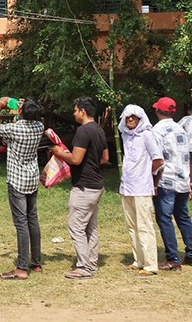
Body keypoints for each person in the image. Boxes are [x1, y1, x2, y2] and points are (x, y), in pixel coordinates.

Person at [51, 96, 109, 280]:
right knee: (91, 228)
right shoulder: (99, 129)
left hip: (84, 187)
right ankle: (92, 263)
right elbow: (105, 158)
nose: (74, 113)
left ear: (83, 111)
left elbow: (76, 159)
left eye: (75, 110)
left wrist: (60, 153)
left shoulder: (83, 132)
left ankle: (84, 266)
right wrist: (91, 164)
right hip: (97, 185)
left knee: (76, 227)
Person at [0, 97, 45, 280]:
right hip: (32, 177)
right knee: (32, 220)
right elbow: (23, 121)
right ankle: (36, 262)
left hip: (17, 179)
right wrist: (22, 108)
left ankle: (21, 267)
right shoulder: (39, 127)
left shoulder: (16, 128)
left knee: (21, 223)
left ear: (22, 113)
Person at [152, 97, 192, 271]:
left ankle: (173, 259)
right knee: (183, 216)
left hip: (166, 180)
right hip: (183, 180)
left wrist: (154, 182)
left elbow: (157, 159)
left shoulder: (156, 131)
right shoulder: (181, 128)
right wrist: (190, 180)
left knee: (165, 219)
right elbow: (187, 157)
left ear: (158, 111)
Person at [118, 105, 164, 277]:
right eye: (128, 117)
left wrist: (147, 174)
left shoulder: (147, 135)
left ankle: (151, 264)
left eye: (134, 117)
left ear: (140, 119)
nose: (130, 120)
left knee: (144, 225)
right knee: (132, 225)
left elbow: (158, 160)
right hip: (127, 186)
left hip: (142, 187)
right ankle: (139, 260)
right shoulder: (125, 136)